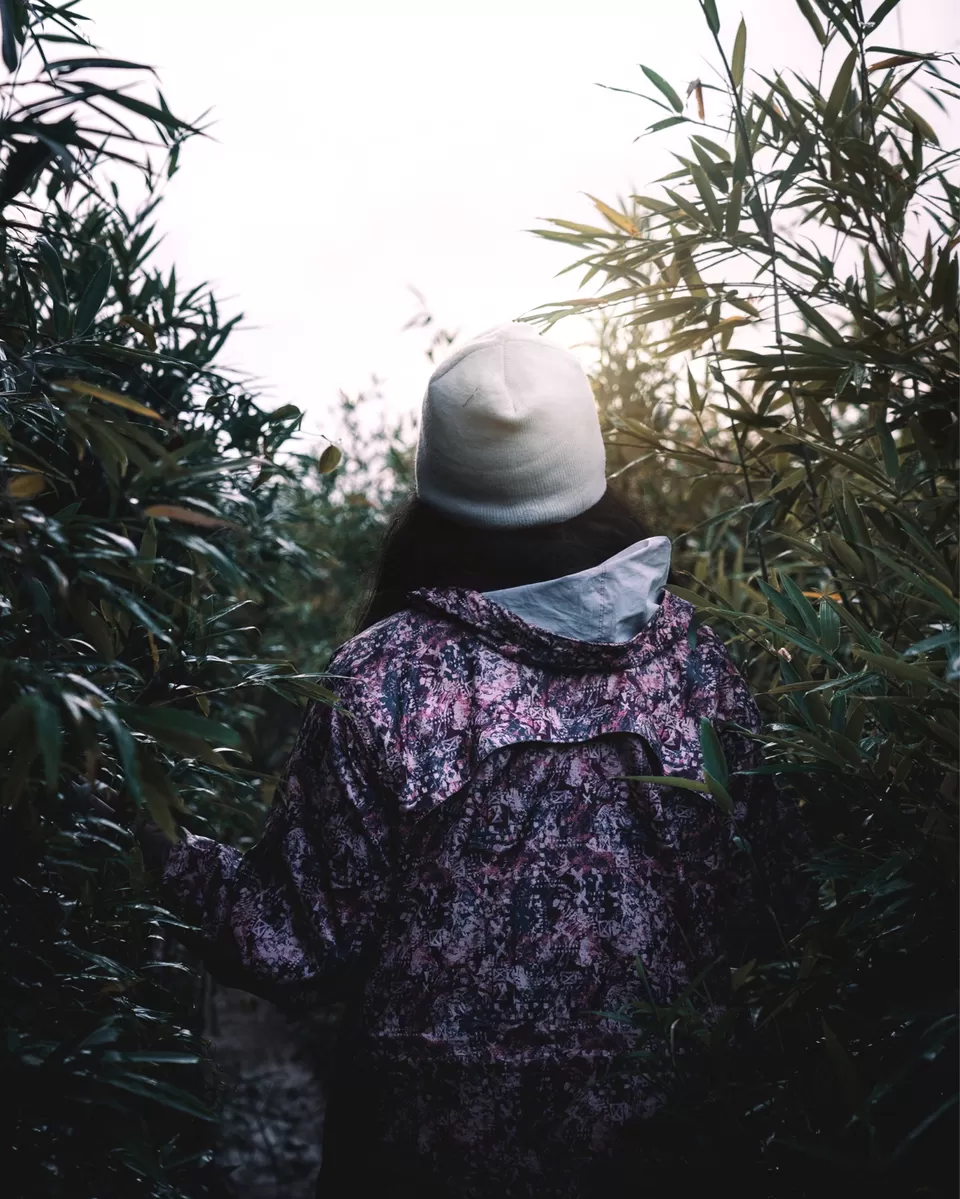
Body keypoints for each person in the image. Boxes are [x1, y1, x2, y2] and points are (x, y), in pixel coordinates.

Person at [150, 322, 811, 1197]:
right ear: (591, 471)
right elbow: (775, 907)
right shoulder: (695, 664)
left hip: (424, 1150)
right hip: (666, 1140)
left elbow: (294, 941)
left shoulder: (384, 679)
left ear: (435, 487)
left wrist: (156, 843)